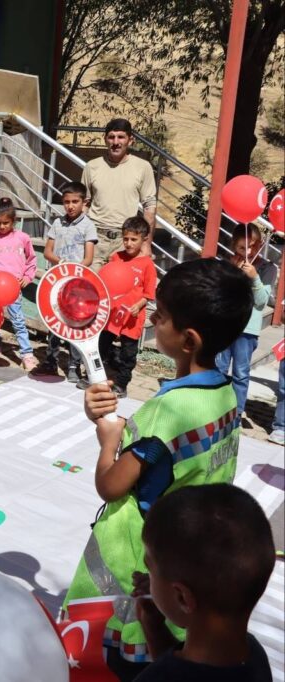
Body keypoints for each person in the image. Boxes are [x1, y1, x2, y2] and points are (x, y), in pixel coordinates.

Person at [63, 258, 253, 675]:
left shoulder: (164, 412)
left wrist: (108, 441)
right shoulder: (226, 394)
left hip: (138, 559)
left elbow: (111, 485)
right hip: (189, 558)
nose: (152, 319)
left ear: (188, 340)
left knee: (118, 660)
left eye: (161, 315)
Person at [131, 484, 275, 681]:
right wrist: (153, 627)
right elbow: (186, 671)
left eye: (150, 569)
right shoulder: (253, 655)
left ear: (182, 598)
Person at [215, 224, 278, 417]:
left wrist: (254, 277)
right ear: (234, 246)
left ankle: (237, 411)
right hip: (225, 325)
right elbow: (219, 294)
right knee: (219, 368)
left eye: (252, 246)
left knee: (241, 373)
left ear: (260, 244)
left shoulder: (267, 268)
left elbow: (261, 301)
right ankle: (214, 407)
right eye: (242, 248)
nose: (248, 252)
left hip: (247, 329)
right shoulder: (227, 263)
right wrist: (232, 274)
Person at [40, 182, 97, 381]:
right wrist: (61, 263)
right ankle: (50, 361)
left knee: (75, 324)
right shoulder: (57, 223)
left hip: (77, 285)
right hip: (57, 282)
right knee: (55, 323)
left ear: (84, 202)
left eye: (75, 201)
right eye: (66, 202)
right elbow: (47, 252)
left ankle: (74, 365)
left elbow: (88, 258)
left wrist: (73, 271)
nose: (70, 206)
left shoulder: (88, 226)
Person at [80, 118, 157, 263]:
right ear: (105, 139)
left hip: (125, 241)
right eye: (111, 137)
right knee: (90, 278)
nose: (116, 142)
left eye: (121, 137)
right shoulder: (91, 166)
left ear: (130, 140)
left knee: (120, 278)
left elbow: (149, 208)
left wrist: (146, 244)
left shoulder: (143, 167)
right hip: (94, 239)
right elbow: (84, 204)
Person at [0, 198, 38, 370]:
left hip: (13, 288)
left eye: (6, 223)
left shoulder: (23, 238)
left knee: (18, 320)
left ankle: (27, 354)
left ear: (13, 220)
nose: (2, 226)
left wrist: (28, 277)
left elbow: (32, 260)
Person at [97, 217, 157, 397]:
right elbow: (107, 281)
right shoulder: (116, 257)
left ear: (144, 239)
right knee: (101, 346)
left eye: (134, 239)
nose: (129, 243)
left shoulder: (147, 265)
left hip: (132, 318)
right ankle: (94, 377)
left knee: (128, 353)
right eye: (125, 239)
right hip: (113, 314)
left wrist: (138, 306)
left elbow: (148, 294)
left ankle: (121, 384)